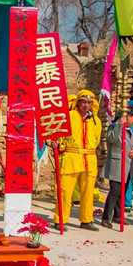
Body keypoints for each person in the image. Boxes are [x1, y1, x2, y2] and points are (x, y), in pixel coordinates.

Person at [52, 90, 103, 231]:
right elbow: (58, 133)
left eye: (88, 102)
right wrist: (57, 144)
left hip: (90, 159)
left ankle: (87, 220)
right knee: (65, 191)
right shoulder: (69, 116)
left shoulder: (96, 121)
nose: (86, 105)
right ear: (78, 102)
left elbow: (97, 139)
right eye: (83, 102)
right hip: (71, 157)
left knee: (88, 192)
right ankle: (60, 220)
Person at [101, 108, 133, 228]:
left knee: (122, 192)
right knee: (115, 191)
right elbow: (112, 139)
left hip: (128, 164)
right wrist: (120, 124)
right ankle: (106, 217)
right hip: (117, 163)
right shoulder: (114, 127)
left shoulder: (131, 130)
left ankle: (117, 215)